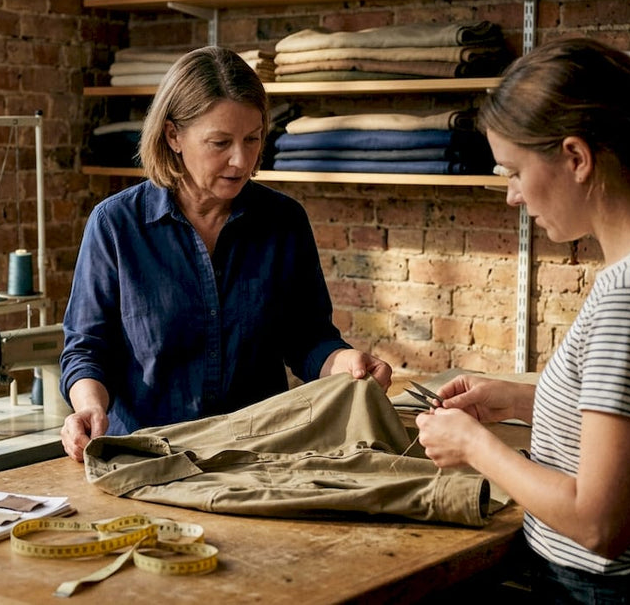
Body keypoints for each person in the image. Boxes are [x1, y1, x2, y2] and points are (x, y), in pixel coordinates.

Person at [415, 37, 630, 604]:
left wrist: (476, 447)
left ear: (576, 157)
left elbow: (600, 525)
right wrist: (523, 401)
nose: (512, 197)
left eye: (515, 171)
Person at [60, 46, 392, 462]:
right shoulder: (116, 225)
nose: (241, 160)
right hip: (146, 460)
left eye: (252, 139)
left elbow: (308, 340)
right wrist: (89, 408)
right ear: (173, 136)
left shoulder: (284, 222)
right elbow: (87, 349)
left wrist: (344, 362)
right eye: (220, 142)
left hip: (258, 457)